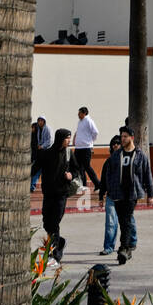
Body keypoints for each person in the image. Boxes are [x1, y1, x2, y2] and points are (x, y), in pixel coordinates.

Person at [102, 126, 153, 264]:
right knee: (123, 221)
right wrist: (108, 190)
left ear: (132, 138)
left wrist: (151, 194)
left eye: (125, 136)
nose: (123, 139)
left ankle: (123, 248)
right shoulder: (116, 155)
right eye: (122, 136)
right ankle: (128, 248)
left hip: (132, 194)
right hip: (118, 193)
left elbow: (147, 175)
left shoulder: (140, 155)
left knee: (125, 220)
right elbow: (109, 174)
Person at [38, 127, 80, 262]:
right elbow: (35, 167)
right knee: (47, 223)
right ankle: (59, 241)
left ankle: (55, 252)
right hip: (48, 193)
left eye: (69, 137)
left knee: (55, 222)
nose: (69, 140)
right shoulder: (47, 154)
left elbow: (76, 169)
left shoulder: (69, 153)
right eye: (67, 138)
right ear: (59, 139)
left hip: (61, 194)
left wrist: (71, 175)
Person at [99, 135, 137, 256]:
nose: (115, 145)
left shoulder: (128, 160)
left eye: (117, 143)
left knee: (128, 220)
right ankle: (108, 247)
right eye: (113, 144)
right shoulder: (109, 162)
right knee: (110, 222)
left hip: (126, 197)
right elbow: (104, 180)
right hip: (111, 196)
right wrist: (101, 196)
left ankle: (132, 241)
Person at [72, 106, 101, 191]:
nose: (78, 114)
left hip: (86, 148)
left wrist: (91, 141)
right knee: (78, 167)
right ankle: (83, 185)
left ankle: (98, 184)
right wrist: (75, 139)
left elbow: (95, 132)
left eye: (79, 113)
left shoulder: (89, 121)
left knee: (87, 167)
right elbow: (79, 132)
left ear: (84, 113)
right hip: (78, 148)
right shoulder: (80, 122)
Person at [30, 116, 52, 191]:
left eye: (41, 120)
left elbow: (49, 141)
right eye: (39, 120)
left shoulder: (47, 129)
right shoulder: (38, 129)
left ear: (44, 121)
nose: (40, 122)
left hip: (46, 152)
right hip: (39, 152)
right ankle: (32, 186)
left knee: (45, 171)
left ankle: (46, 187)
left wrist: (42, 146)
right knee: (36, 170)